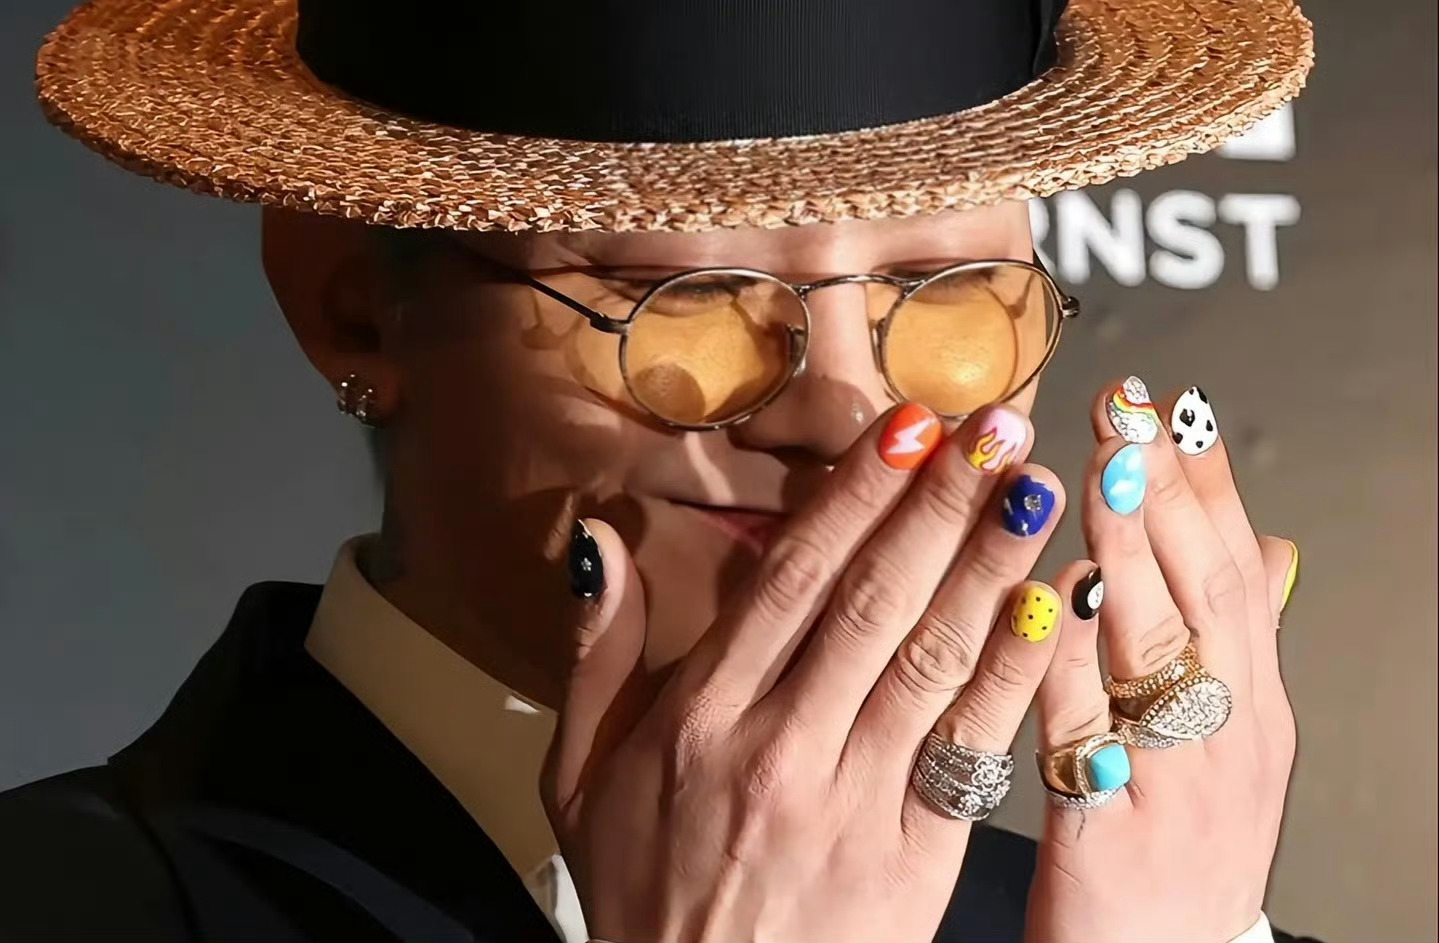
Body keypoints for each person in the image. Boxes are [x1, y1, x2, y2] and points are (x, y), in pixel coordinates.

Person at [0, 0, 1320, 940]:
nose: (843, 415)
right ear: (352, 307)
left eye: (951, 291)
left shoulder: (1114, 922)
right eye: (682, 299)